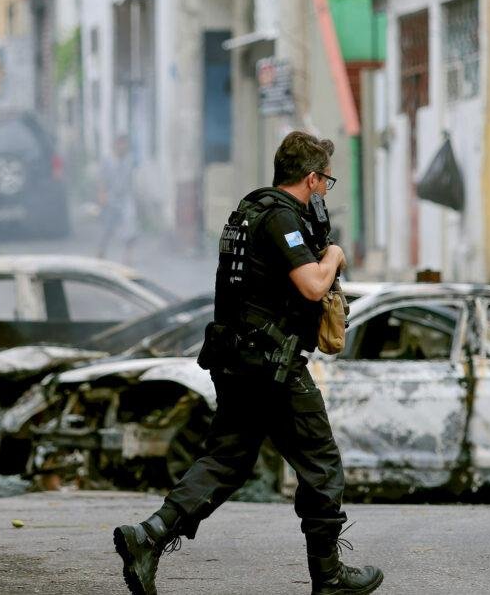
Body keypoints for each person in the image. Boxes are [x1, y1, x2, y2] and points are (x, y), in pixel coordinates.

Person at [113, 131, 384, 595]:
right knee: (321, 466)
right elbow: (313, 286)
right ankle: (329, 576)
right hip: (272, 368)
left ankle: (149, 536)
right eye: (325, 183)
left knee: (226, 460)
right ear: (313, 177)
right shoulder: (281, 218)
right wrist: (335, 255)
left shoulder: (247, 212)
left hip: (239, 361)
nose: (324, 192)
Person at [96, 134, 139, 265]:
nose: (122, 147)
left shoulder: (130, 160)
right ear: (115, 145)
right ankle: (101, 252)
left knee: (130, 225)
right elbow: (102, 179)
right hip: (111, 197)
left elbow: (133, 179)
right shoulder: (107, 160)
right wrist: (102, 195)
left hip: (126, 197)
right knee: (107, 227)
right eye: (120, 144)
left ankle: (128, 256)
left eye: (125, 144)